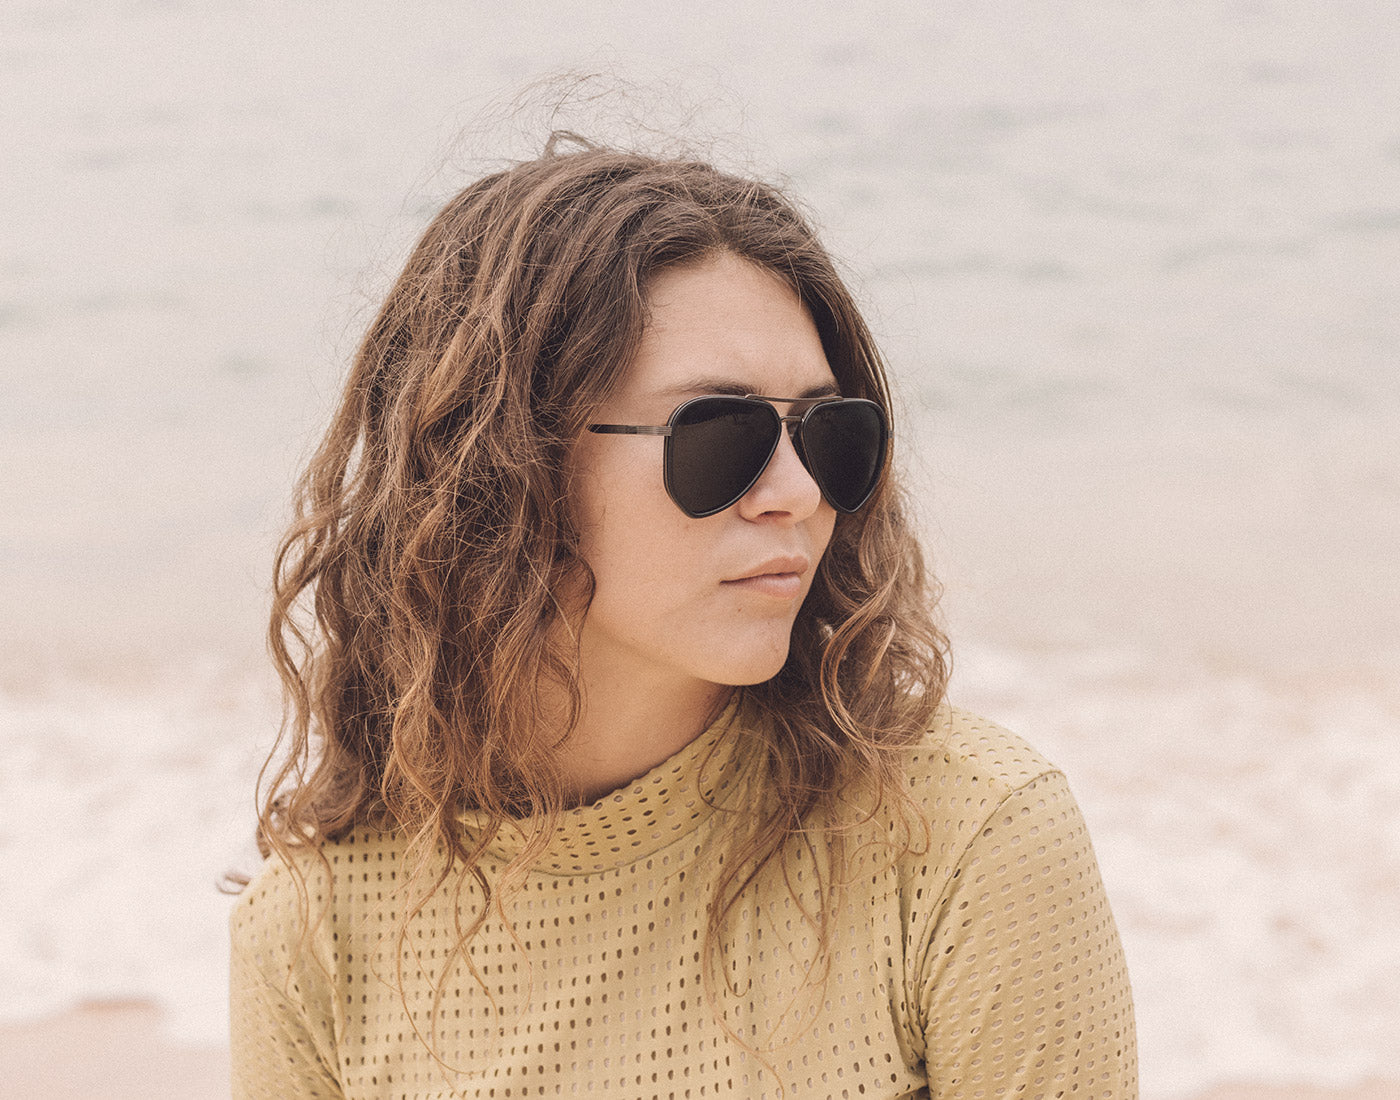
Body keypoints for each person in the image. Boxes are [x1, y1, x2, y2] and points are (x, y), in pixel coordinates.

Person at [230, 134, 1138, 1099]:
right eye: (721, 433)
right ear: (497, 466)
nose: (795, 492)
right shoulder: (316, 937)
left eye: (830, 433)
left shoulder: (966, 842)